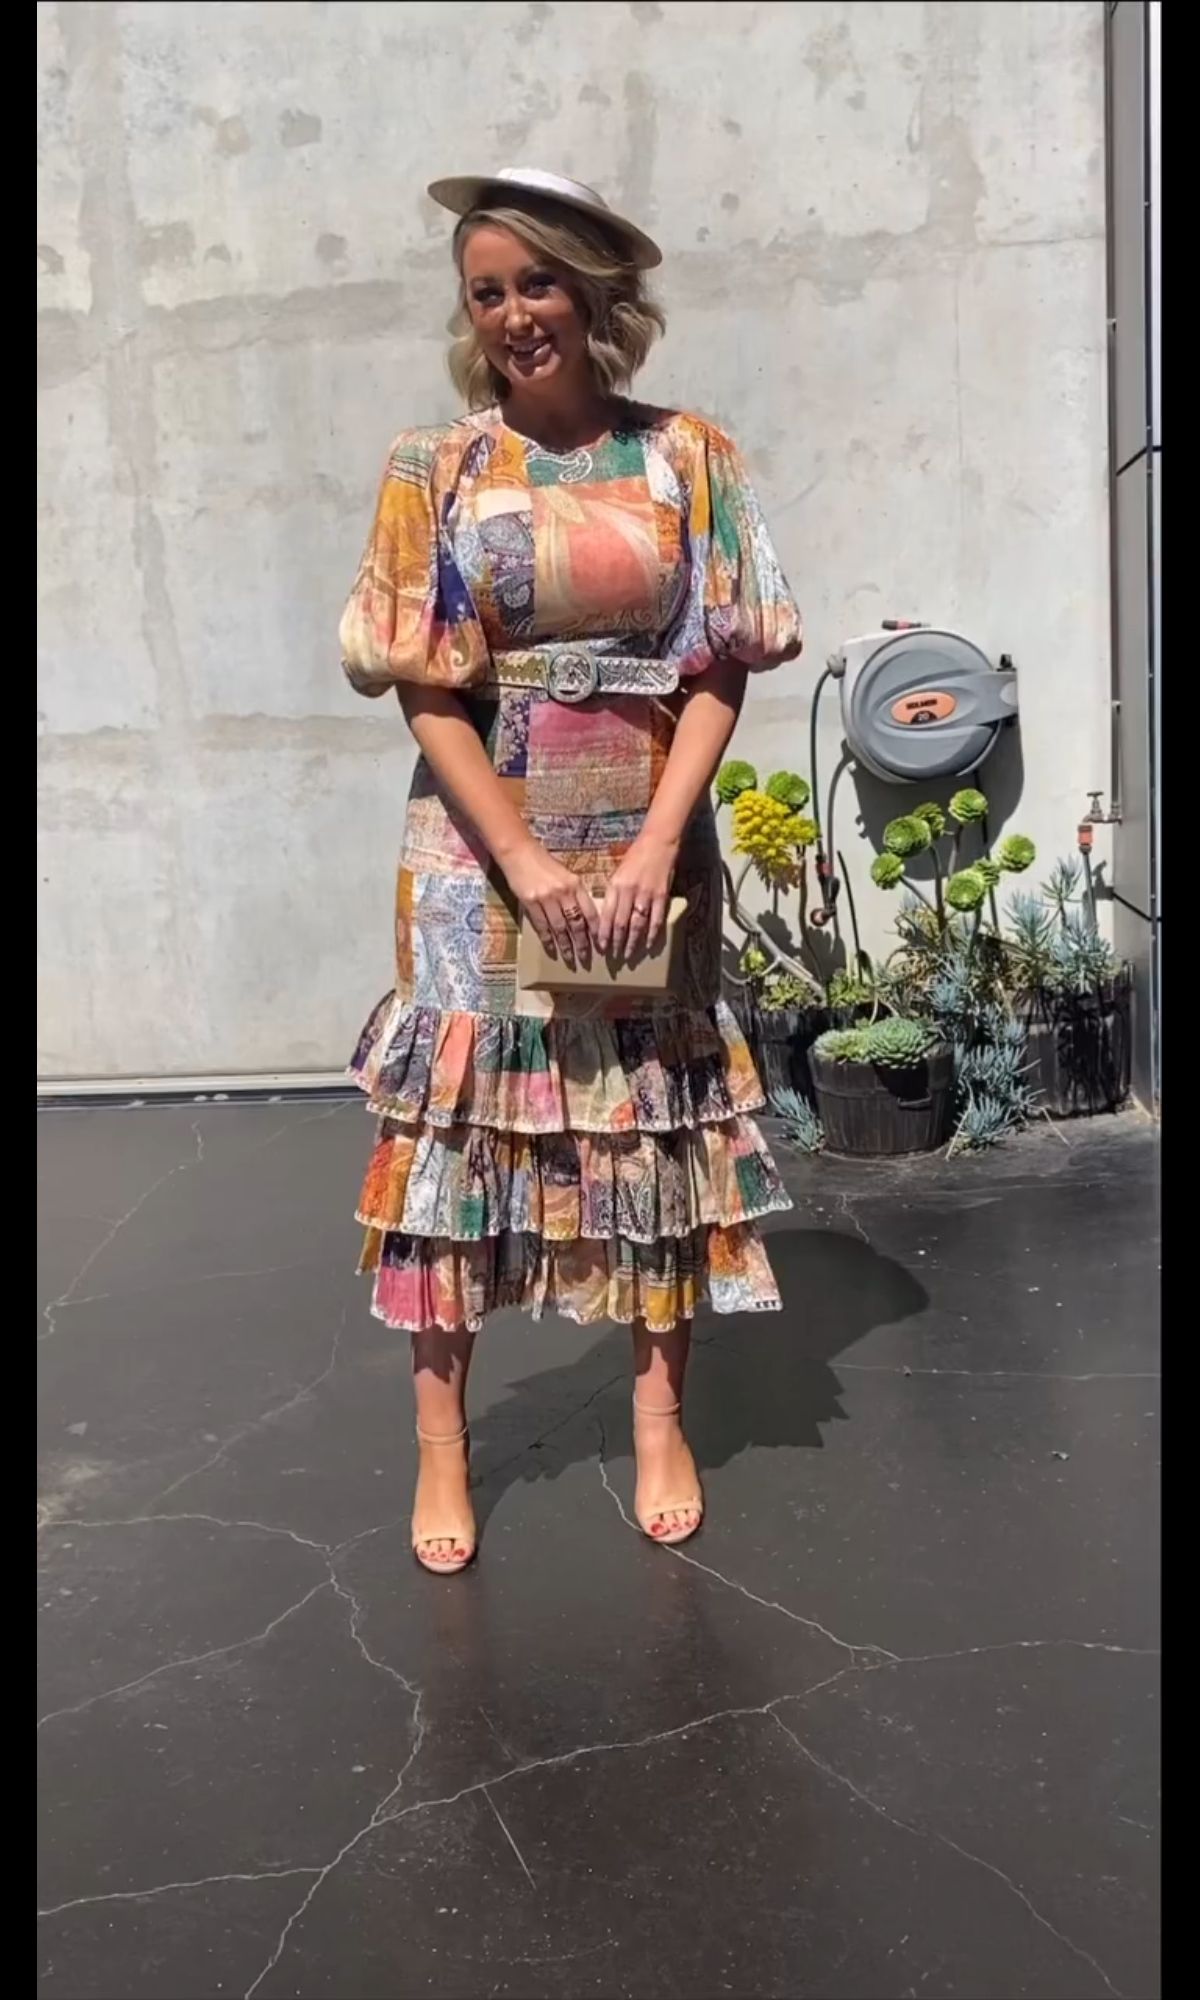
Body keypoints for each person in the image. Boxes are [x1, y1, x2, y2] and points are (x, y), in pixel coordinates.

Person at [339, 167, 802, 1574]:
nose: (514, 314)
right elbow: (425, 687)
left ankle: (659, 1420)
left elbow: (722, 661)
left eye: (537, 281)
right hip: (479, 852)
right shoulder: (435, 469)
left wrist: (658, 839)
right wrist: (525, 859)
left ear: (596, 292)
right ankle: (441, 1448)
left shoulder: (688, 457)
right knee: (456, 1135)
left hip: (650, 838)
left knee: (651, 1121)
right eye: (487, 291)